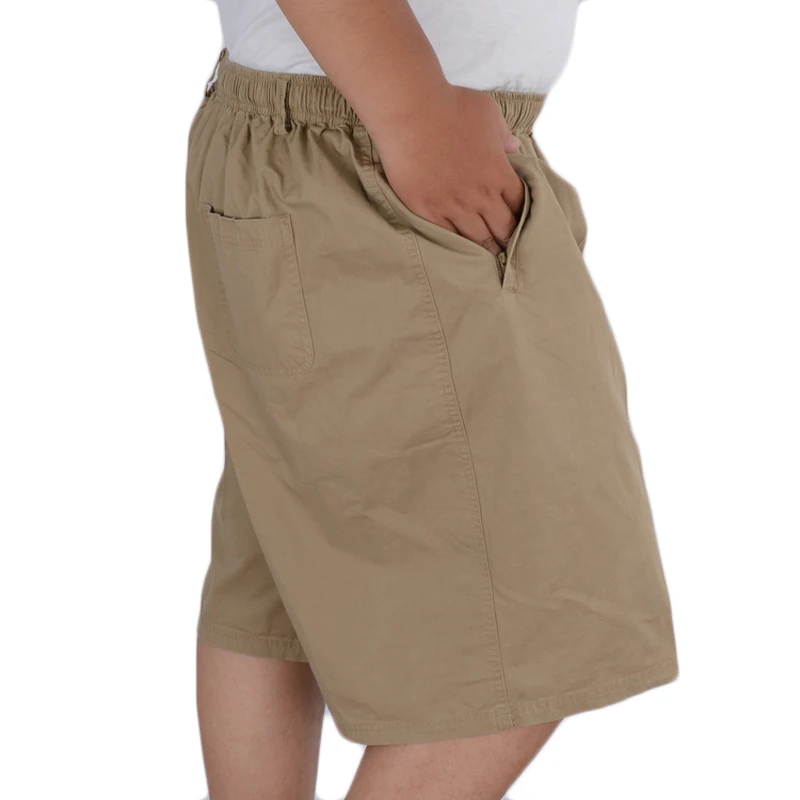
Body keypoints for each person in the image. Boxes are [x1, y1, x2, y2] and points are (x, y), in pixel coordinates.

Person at [186, 1, 679, 797]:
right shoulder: (403, 123)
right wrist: (416, 114)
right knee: (552, 619)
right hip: (374, 151)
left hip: (327, 139)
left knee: (285, 568)